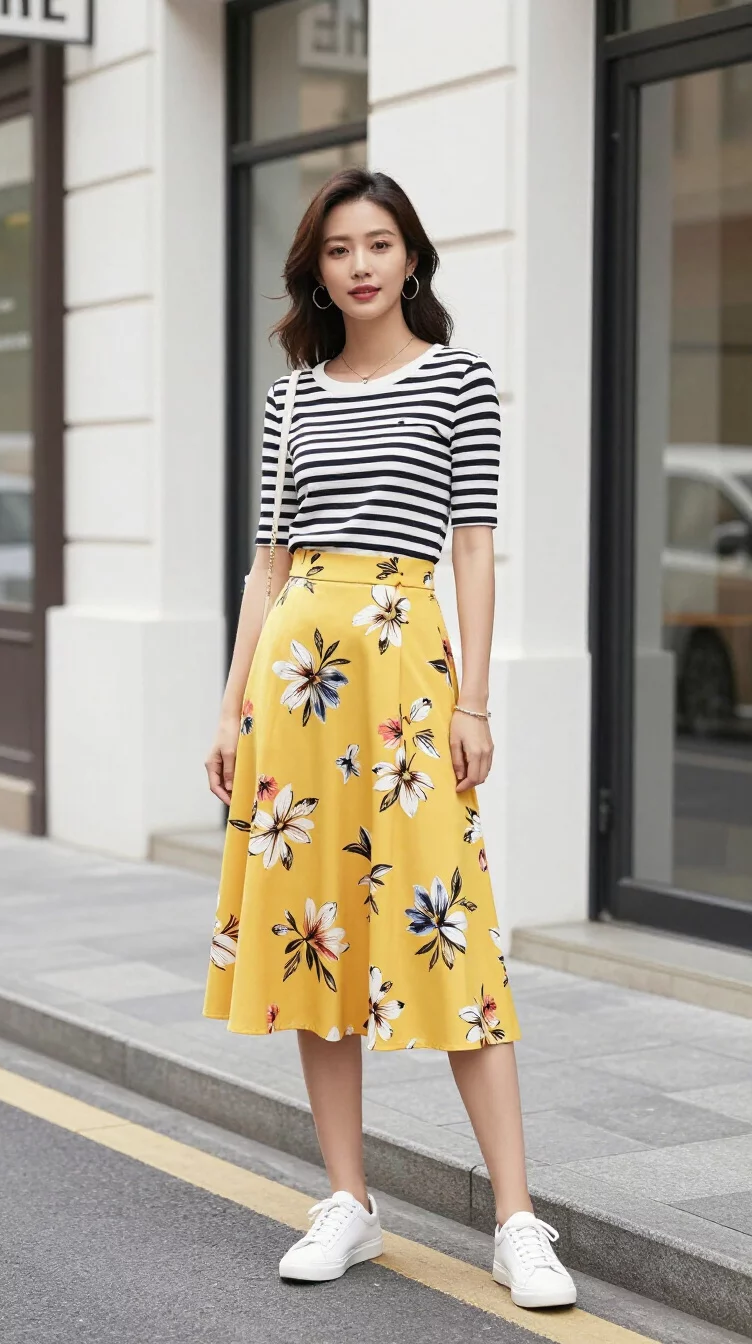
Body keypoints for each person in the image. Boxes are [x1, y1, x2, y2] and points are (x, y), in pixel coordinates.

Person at [203, 167, 576, 1311]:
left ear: (410, 257)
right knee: (318, 940)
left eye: (378, 244)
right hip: (296, 685)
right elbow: (268, 566)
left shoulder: (460, 379)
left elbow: (472, 547)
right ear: (315, 270)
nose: (359, 265)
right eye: (337, 250)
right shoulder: (292, 401)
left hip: (409, 675)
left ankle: (517, 1218)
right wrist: (229, 709)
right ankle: (350, 1202)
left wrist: (473, 702)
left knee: (450, 926)